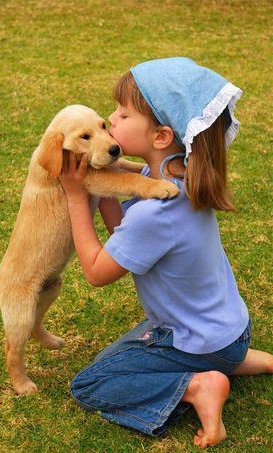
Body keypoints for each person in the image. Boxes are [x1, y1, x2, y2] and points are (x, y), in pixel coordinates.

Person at [59, 57, 273, 449]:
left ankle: (198, 385)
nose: (111, 119)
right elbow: (122, 230)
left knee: (92, 382)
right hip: (229, 327)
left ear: (160, 136)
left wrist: (76, 196)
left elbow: (96, 271)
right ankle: (238, 357)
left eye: (122, 115)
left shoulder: (156, 213)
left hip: (196, 338)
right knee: (132, 348)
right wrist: (103, 184)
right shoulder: (179, 176)